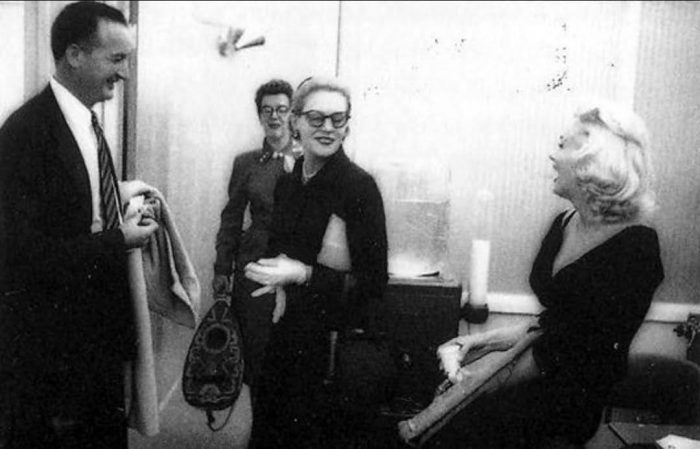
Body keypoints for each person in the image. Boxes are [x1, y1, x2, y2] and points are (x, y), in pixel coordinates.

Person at [432, 101, 664, 448]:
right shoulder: (564, 223)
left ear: (592, 161)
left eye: (562, 145)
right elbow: (553, 324)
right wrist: (479, 342)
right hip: (528, 386)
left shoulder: (636, 248)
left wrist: (482, 381)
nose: (553, 156)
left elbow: (572, 349)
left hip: (565, 413)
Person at [0, 2, 159, 447]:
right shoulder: (24, 133)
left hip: (97, 339)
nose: (125, 73)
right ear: (74, 54)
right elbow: (20, 253)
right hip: (52, 352)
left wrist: (118, 198)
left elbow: (67, 204)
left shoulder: (88, 122)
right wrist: (118, 240)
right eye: (117, 59)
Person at [244, 77, 389, 448]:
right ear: (295, 121)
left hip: (332, 346)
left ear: (347, 126)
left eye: (337, 119)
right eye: (316, 118)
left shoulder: (359, 187)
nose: (328, 127)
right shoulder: (289, 183)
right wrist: (278, 282)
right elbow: (279, 246)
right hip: (286, 333)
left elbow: (374, 282)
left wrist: (304, 274)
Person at [213, 78, 297, 395]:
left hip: (297, 264)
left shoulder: (309, 159)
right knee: (257, 356)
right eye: (267, 110)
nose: (274, 116)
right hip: (254, 265)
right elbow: (231, 219)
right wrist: (222, 269)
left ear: (292, 114)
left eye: (282, 109)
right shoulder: (246, 163)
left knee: (292, 356)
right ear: (259, 115)